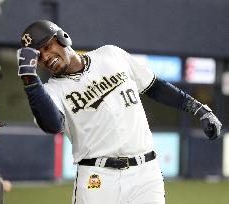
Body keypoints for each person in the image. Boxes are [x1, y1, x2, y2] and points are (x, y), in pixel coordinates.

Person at [16, 20, 222, 204]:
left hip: (145, 173)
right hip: (97, 178)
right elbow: (52, 125)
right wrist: (30, 80)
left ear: (62, 38)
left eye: (46, 46)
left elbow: (155, 87)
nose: (45, 57)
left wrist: (199, 109)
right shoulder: (51, 91)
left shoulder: (110, 54)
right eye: (39, 57)